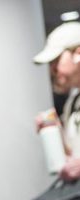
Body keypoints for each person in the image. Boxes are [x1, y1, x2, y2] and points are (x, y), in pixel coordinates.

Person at [34, 22, 80, 181]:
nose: (53, 69)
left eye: (57, 60)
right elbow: (73, 156)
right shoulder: (73, 103)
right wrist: (55, 132)